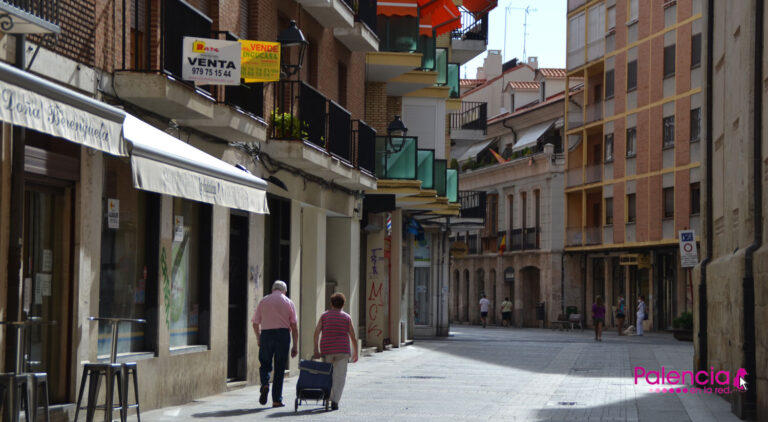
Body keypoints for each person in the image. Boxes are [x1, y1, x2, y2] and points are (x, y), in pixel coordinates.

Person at [252, 280, 299, 407]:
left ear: (273, 289)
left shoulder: (264, 301)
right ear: (285, 290)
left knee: (265, 364)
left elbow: (255, 323)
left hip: (266, 334)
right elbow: (294, 326)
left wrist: (258, 338)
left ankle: (265, 384)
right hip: (283, 335)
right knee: (280, 367)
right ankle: (277, 399)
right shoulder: (288, 302)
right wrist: (295, 345)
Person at [313, 292, 359, 410]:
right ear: (343, 304)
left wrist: (316, 349)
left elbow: (317, 332)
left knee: (328, 375)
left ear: (331, 303)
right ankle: (335, 400)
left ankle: (327, 397)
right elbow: (353, 336)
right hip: (342, 350)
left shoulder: (324, 316)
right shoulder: (346, 317)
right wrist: (355, 352)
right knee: (340, 377)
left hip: (327, 349)